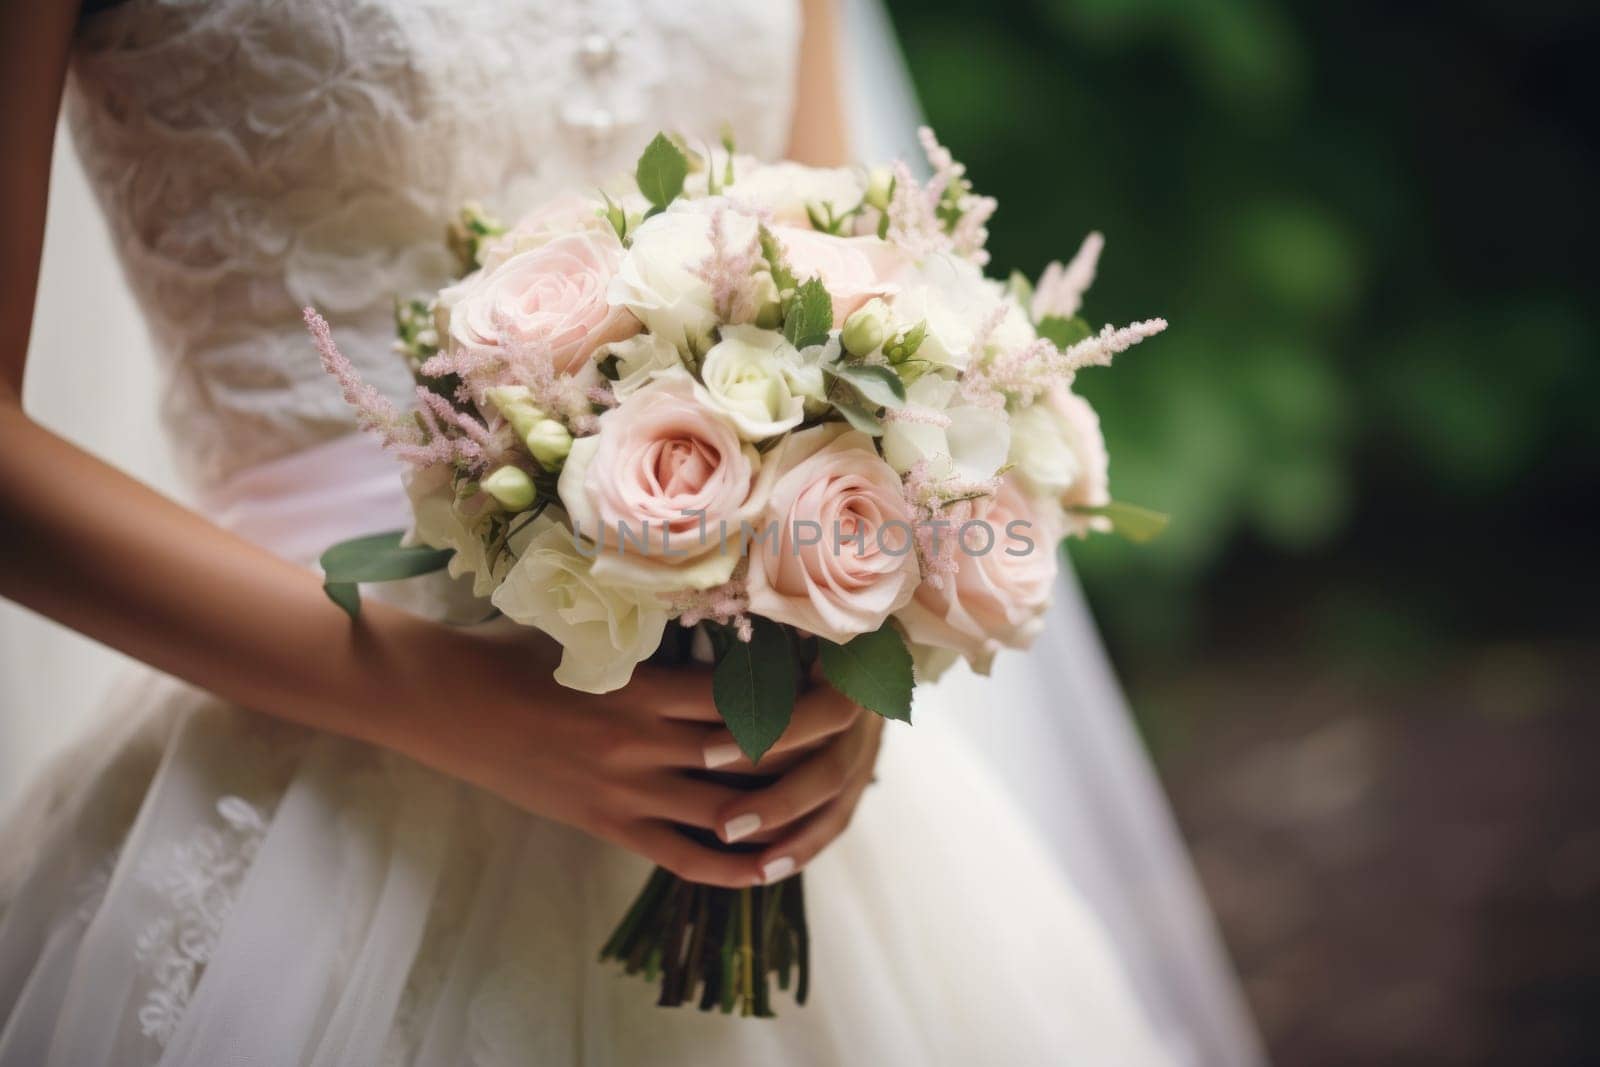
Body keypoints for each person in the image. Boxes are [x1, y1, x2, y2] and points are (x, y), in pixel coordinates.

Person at [0, 1, 1262, 1063]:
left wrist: (846, 631)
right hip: (316, 740)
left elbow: (841, 258)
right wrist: (454, 699)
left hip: (755, 747)